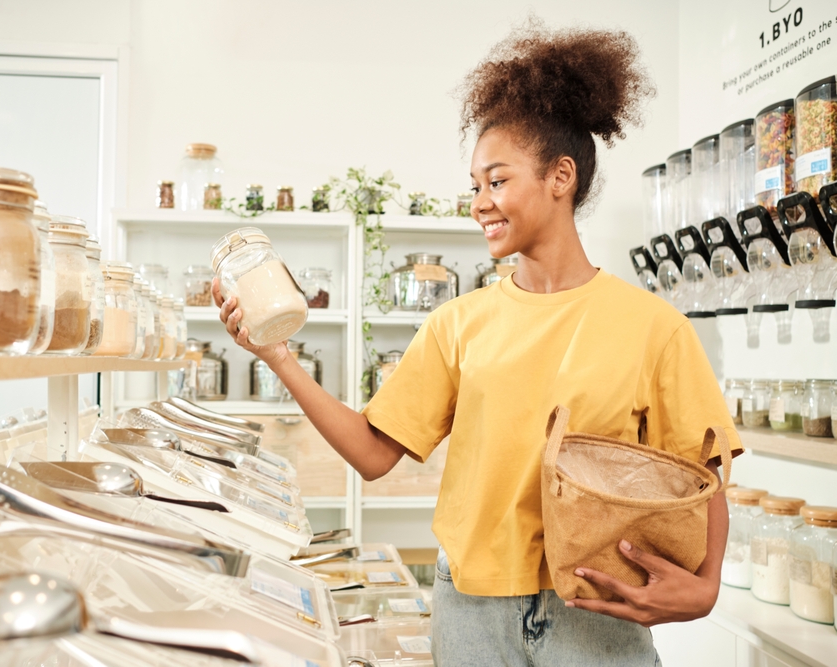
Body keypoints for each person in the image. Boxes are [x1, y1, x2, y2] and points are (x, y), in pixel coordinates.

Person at [212, 21, 742, 667]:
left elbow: (704, 469)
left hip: (596, 617)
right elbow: (376, 453)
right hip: (469, 617)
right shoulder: (457, 323)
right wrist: (278, 357)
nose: (480, 203)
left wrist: (707, 585)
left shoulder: (652, 326)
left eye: (496, 180)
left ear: (561, 176)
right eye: (474, 186)